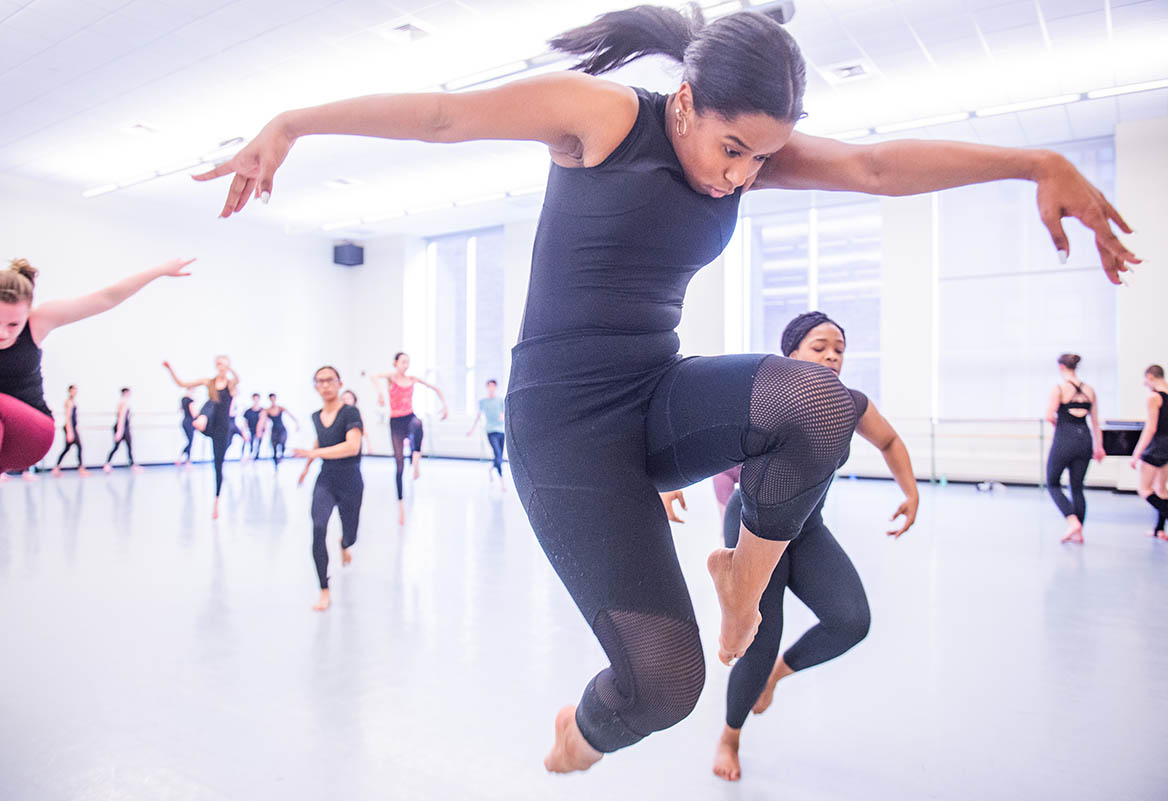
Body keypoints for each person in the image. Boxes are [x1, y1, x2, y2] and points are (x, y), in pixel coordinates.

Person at [196, 4, 1136, 772]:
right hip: (561, 426)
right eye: (732, 149)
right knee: (665, 686)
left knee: (820, 403)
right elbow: (449, 114)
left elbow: (877, 167)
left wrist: (1037, 163)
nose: (742, 178)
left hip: (654, 390)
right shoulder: (606, 119)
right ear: (683, 102)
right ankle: (585, 729)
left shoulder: (744, 156)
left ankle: (744, 581)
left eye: (762, 160)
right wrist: (292, 123)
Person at [660, 312, 918, 782]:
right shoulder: (772, 397)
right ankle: (731, 734)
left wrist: (911, 491)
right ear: (791, 354)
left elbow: (890, 439)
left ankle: (778, 673)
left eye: (839, 348)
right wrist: (667, 480)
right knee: (759, 640)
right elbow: (701, 433)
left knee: (851, 620)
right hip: (754, 524)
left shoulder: (850, 404)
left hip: (807, 527)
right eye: (819, 347)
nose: (832, 356)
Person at [0, 256, 192, 661]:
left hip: (28, 434)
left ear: (26, 316)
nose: (2, 332)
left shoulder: (40, 320)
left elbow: (106, 297)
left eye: (12, 325)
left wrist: (157, 271)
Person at [296, 366, 364, 611]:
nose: (325, 385)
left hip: (351, 480)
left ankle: (344, 543)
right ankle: (324, 589)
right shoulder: (316, 416)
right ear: (315, 386)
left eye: (329, 380)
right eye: (320, 381)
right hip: (326, 479)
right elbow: (319, 441)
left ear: (339, 382)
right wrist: (307, 466)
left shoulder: (350, 412)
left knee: (351, 535)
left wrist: (315, 453)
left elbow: (352, 446)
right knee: (318, 526)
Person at [369, 352, 448, 525]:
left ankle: (416, 463)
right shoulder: (391, 378)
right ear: (396, 363)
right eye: (403, 362)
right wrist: (380, 394)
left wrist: (444, 406)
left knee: (418, 424)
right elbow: (374, 376)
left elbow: (435, 389)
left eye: (408, 362)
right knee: (398, 465)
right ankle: (400, 507)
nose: (406, 365)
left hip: (409, 417)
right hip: (396, 422)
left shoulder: (412, 379)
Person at [163, 357, 240, 519]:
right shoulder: (209, 382)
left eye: (224, 365)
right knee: (211, 402)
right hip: (209, 422)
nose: (221, 367)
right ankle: (201, 419)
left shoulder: (231, 385)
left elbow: (238, 379)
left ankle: (216, 502)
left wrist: (230, 369)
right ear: (216, 365)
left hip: (222, 428)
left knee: (218, 464)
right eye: (219, 364)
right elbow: (182, 384)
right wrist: (170, 369)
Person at [1043, 354, 1105, 544]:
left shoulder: (1060, 388)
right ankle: (1079, 532)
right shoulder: (1090, 390)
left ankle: (1071, 521)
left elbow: (1049, 415)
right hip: (1084, 439)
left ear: (1061, 367)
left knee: (1052, 482)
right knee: (1077, 487)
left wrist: (1057, 422)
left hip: (1064, 439)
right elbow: (1095, 423)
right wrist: (1099, 446)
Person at [1131, 364, 1168, 538]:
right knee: (1161, 489)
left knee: (1144, 489)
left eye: (1145, 380)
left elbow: (1151, 428)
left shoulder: (1153, 397)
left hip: (1157, 446)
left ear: (1151, 377)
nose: (1145, 383)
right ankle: (1159, 529)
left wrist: (1137, 453)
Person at [467, 378, 506, 490]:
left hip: (501, 431)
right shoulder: (483, 402)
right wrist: (471, 430)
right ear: (487, 387)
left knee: (499, 456)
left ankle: (491, 469)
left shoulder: (499, 400)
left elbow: (504, 413)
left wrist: (502, 416)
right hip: (490, 431)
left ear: (495, 387)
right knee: (497, 454)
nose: (491, 388)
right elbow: (478, 416)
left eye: (493, 386)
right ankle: (502, 481)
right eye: (489, 386)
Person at [51, 384, 86, 476]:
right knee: (78, 447)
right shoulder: (69, 402)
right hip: (70, 428)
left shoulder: (73, 402)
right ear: (69, 391)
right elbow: (68, 417)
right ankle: (80, 468)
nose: (75, 392)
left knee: (68, 448)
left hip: (72, 428)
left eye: (76, 391)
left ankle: (56, 468)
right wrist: (69, 431)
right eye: (73, 391)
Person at [102, 387, 140, 473]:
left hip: (124, 427)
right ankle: (107, 464)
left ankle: (132, 464)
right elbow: (121, 418)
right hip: (122, 428)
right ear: (125, 393)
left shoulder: (123, 402)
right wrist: (119, 431)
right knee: (117, 447)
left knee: (128, 446)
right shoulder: (123, 403)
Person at [262, 393, 298, 469]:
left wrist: (296, 423)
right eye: (271, 399)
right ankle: (276, 466)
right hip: (274, 430)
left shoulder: (280, 408)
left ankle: (281, 456)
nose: (273, 400)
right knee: (274, 447)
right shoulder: (267, 410)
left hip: (282, 429)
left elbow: (290, 415)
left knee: (282, 443)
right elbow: (263, 420)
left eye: (273, 398)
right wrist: (263, 429)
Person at [175, 393, 198, 467]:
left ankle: (180, 458)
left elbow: (180, 409)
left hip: (185, 422)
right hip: (190, 423)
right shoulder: (190, 401)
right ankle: (187, 461)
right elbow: (193, 414)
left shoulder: (183, 400)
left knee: (189, 441)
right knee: (190, 442)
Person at [242, 392, 265, 461]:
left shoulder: (262, 411)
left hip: (260, 430)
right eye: (254, 399)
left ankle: (256, 457)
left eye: (257, 399)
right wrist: (244, 431)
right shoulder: (248, 411)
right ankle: (249, 456)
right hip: (251, 429)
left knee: (258, 444)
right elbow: (245, 422)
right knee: (250, 443)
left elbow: (265, 421)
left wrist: (264, 430)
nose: (256, 400)